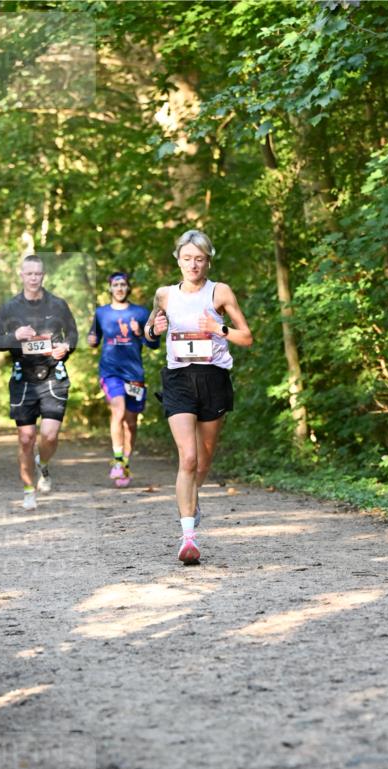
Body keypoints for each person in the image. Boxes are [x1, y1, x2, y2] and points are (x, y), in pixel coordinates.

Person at [146, 229, 252, 564]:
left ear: (208, 261)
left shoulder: (220, 291)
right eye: (187, 258)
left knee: (203, 461)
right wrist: (153, 331)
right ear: (177, 259)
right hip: (178, 378)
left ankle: (192, 501)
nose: (193, 265)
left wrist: (218, 328)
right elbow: (150, 333)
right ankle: (188, 536)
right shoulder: (164, 295)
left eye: (200, 259)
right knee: (188, 458)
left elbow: (246, 337)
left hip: (213, 378)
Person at [0, 255, 78, 510]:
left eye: (38, 274)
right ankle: (28, 490)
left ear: (43, 275)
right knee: (26, 438)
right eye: (29, 274)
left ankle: (43, 464)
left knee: (49, 434)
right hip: (23, 378)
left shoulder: (58, 304)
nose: (34, 278)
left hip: (53, 376)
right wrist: (14, 336)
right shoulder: (9, 308)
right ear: (22, 275)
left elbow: (72, 334)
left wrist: (66, 348)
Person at [87, 272, 157, 487]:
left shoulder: (141, 313)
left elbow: (154, 344)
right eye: (116, 285)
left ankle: (125, 463)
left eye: (123, 284)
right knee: (117, 410)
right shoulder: (101, 313)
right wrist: (91, 340)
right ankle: (117, 460)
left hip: (134, 374)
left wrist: (140, 333)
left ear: (128, 288)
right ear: (110, 288)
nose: (119, 288)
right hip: (110, 372)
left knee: (131, 423)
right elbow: (94, 338)